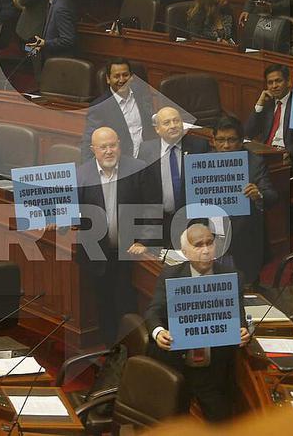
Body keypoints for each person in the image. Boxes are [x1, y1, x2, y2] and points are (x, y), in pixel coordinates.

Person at [145, 221, 251, 423]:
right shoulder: (170, 275)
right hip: (177, 363)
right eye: (198, 245)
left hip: (214, 368)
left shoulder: (232, 277)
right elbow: (153, 311)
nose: (205, 250)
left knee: (221, 423)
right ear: (185, 251)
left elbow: (239, 318)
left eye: (209, 244)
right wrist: (158, 332)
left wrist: (244, 331)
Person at [77, 127, 151, 346]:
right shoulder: (82, 174)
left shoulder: (138, 169)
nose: (108, 151)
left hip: (129, 252)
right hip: (96, 252)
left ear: (120, 144)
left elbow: (150, 208)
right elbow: (74, 212)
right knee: (104, 304)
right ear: (93, 150)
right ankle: (110, 350)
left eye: (112, 145)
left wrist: (144, 240)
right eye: (103, 147)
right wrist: (57, 220)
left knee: (127, 304)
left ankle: (129, 351)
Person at [209, 115, 278, 284]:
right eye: (221, 140)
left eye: (231, 140)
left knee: (247, 290)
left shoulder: (255, 162)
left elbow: (272, 196)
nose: (225, 145)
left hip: (245, 238)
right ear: (213, 141)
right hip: (212, 238)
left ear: (241, 141)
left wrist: (258, 194)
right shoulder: (203, 162)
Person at [137, 106, 210, 247]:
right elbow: (144, 192)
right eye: (167, 123)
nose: (173, 126)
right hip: (160, 222)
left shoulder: (199, 147)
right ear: (157, 129)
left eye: (176, 121)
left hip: (192, 222)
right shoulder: (146, 150)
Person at [81, 58, 155, 160]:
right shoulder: (99, 107)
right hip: (120, 163)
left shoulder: (141, 94)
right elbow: (89, 141)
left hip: (146, 158)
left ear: (131, 77)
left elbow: (150, 119)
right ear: (108, 79)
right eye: (116, 76)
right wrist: (86, 170)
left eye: (125, 75)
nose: (122, 80)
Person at [244, 63, 293, 170]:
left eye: (278, 81)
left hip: (288, 156)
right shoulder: (267, 103)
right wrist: (259, 105)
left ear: (288, 82)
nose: (274, 86)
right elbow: (248, 132)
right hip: (265, 153)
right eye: (270, 83)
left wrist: (289, 152)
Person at [26, 0, 76, 73]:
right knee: (28, 51)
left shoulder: (60, 7)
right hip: (48, 54)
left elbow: (68, 39)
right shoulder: (55, 0)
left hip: (58, 62)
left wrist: (45, 43)